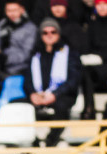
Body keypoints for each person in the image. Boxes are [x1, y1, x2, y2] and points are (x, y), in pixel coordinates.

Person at [23, 17, 81, 146]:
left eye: (53, 32)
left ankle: (51, 139)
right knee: (16, 105)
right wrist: (32, 94)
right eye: (45, 32)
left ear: (58, 34)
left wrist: (55, 94)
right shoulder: (35, 54)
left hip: (61, 94)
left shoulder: (69, 52)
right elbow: (27, 79)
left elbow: (73, 79)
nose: (49, 35)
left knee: (61, 106)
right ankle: (30, 139)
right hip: (39, 95)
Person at [0, 0, 37, 76]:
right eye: (8, 10)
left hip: (21, 69)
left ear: (22, 10)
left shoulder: (30, 28)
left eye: (14, 10)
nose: (11, 14)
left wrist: (5, 58)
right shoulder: (2, 25)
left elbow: (27, 54)